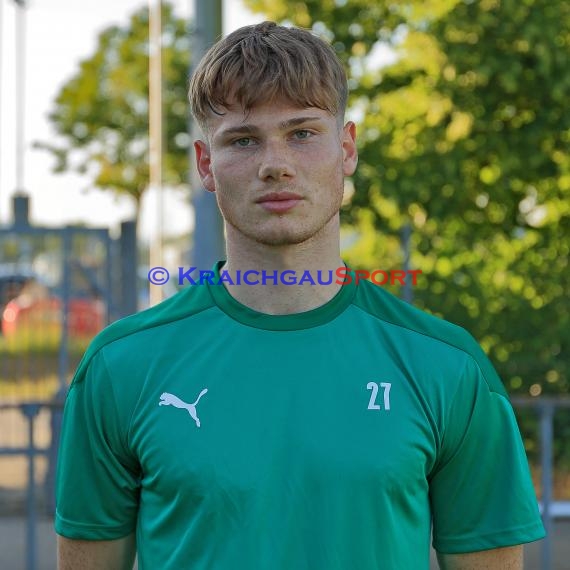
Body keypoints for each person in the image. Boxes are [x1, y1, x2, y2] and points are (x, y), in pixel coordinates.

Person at [55, 21, 545, 570]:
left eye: (303, 133)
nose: (275, 164)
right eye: (243, 140)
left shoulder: (447, 366)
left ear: (347, 148)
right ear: (205, 164)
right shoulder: (120, 367)